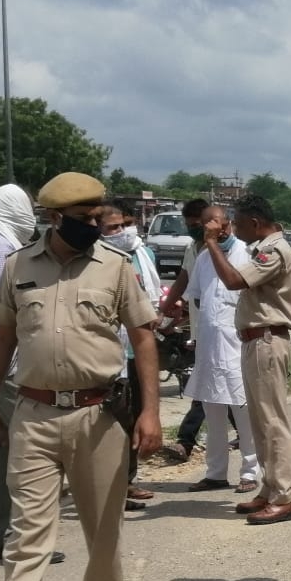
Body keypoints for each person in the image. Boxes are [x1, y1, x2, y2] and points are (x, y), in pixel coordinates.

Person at [0, 172, 162, 581]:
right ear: (55, 219)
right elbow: (1, 342)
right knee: (28, 534)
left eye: (99, 219)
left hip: (98, 417)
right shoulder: (17, 267)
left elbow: (142, 341)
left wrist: (151, 413)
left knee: (102, 527)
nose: (96, 226)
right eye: (85, 220)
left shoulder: (114, 268)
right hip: (32, 416)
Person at [0, 184, 65, 567]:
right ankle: (25, 541)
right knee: (30, 453)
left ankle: (0, 538)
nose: (30, 218)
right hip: (10, 365)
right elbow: (26, 300)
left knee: (3, 453)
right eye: (26, 209)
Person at [202, 193, 291, 525]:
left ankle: (284, 496)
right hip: (256, 341)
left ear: (255, 223)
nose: (235, 229)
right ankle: (269, 488)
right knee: (259, 421)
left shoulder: (273, 250)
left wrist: (212, 243)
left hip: (268, 340)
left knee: (272, 422)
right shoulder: (262, 248)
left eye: (239, 223)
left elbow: (232, 281)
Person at [181, 205, 259, 493]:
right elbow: (199, 298)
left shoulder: (246, 254)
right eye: (209, 226)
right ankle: (215, 473)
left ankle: (251, 472)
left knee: (244, 412)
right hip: (210, 347)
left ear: (229, 225)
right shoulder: (203, 257)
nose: (218, 230)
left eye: (221, 225)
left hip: (238, 345)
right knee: (213, 414)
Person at [98, 205, 162, 510]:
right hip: (113, 350)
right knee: (116, 420)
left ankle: (128, 479)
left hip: (140, 348)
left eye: (124, 224)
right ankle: (114, 484)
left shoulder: (143, 254)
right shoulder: (100, 262)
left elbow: (152, 295)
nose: (120, 231)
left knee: (136, 415)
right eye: (112, 228)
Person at [158, 198, 210, 464]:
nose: (193, 229)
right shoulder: (193, 248)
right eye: (189, 225)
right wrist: (166, 308)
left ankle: (185, 441)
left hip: (225, 333)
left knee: (207, 387)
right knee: (213, 389)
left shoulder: (227, 250)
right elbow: (184, 278)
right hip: (202, 330)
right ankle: (243, 435)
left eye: (197, 225)